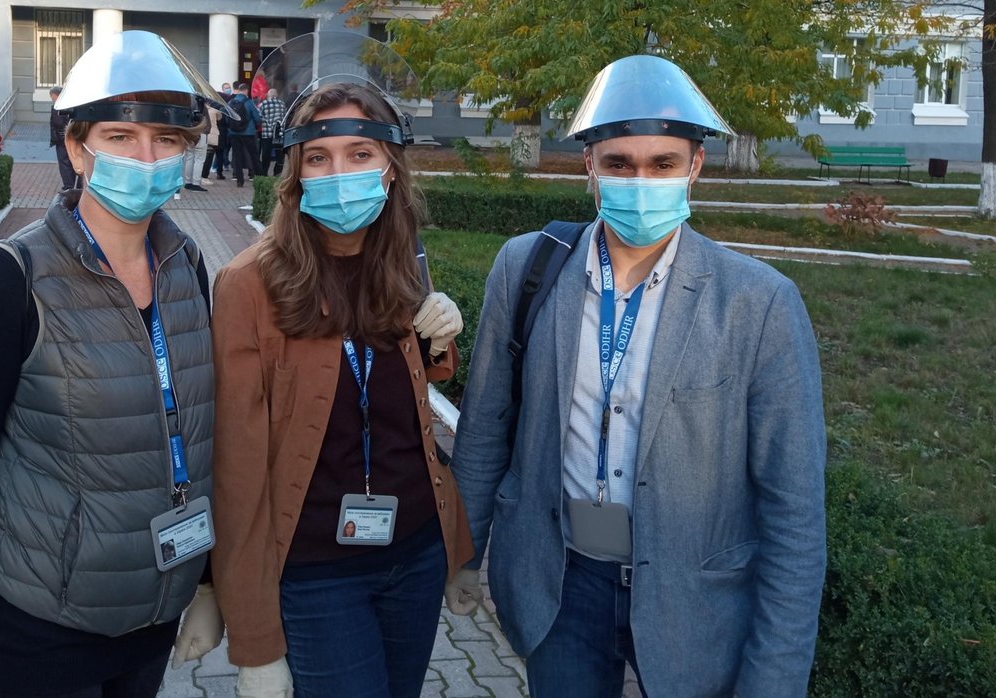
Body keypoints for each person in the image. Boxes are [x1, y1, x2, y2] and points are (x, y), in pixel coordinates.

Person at [445, 54, 827, 698]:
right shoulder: (528, 268)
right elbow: (485, 428)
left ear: (694, 167)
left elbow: (793, 511)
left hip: (693, 599)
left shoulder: (758, 303)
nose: (639, 180)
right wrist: (465, 554)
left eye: (662, 165)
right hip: (558, 584)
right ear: (589, 165)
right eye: (619, 163)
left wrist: (776, 677)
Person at [0, 31, 233, 698]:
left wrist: (204, 582)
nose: (146, 157)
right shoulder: (14, 277)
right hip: (39, 629)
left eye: (166, 141)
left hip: (150, 616)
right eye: (120, 137)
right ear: (76, 147)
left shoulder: (185, 265)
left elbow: (195, 435)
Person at [211, 55, 475, 698]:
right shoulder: (249, 284)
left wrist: (443, 339)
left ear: (390, 166)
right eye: (320, 157)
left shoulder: (403, 260)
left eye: (360, 153)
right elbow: (238, 472)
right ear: (295, 171)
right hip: (315, 569)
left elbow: (405, 400)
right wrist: (254, 642)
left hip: (413, 553)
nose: (340, 173)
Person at [225, 81, 261, 187]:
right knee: (253, 155)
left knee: (237, 155)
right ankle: (259, 177)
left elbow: (226, 117)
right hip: (248, 133)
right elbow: (257, 118)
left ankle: (239, 180)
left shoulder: (231, 102)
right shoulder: (248, 102)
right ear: (246, 91)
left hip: (233, 133)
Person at [49, 85, 76, 192]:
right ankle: (75, 185)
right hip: (68, 138)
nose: (52, 99)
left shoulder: (59, 106)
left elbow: (58, 123)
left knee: (65, 163)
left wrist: (58, 137)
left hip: (62, 140)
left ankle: (68, 187)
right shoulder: (70, 103)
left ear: (55, 95)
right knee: (71, 161)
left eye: (52, 97)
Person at [257, 88, 286, 177]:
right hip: (279, 134)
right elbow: (285, 116)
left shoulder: (263, 104)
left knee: (266, 154)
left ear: (268, 95)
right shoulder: (282, 104)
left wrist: (267, 122)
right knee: (279, 155)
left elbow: (258, 118)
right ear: (276, 95)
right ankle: (277, 172)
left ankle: (264, 173)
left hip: (267, 134)